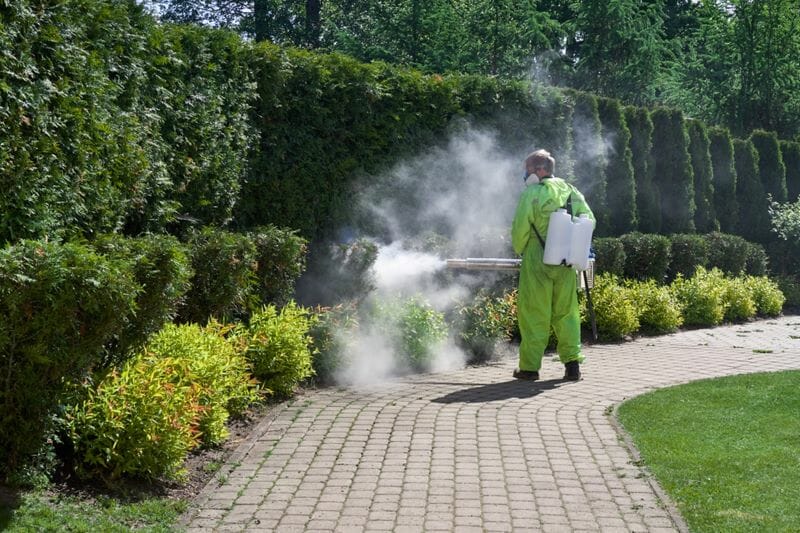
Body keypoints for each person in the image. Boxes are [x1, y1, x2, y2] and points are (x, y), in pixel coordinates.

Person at [511, 149, 595, 381]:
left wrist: (520, 250)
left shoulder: (532, 193)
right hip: (566, 261)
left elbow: (520, 229)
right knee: (567, 313)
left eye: (528, 170)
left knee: (534, 313)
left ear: (539, 170)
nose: (525, 175)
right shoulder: (571, 191)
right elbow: (589, 220)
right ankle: (572, 366)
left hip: (538, 259)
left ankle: (529, 368)